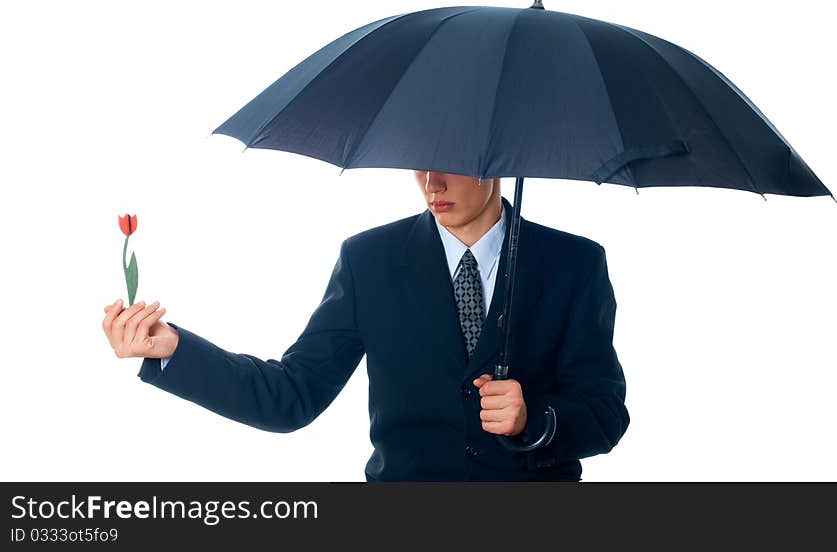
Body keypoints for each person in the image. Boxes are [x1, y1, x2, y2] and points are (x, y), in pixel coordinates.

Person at [102, 170, 629, 481]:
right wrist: (171, 349)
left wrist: (533, 419)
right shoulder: (370, 260)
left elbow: (606, 415)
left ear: (501, 160)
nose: (431, 182)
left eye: (449, 160)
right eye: (419, 161)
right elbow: (291, 396)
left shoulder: (573, 264)